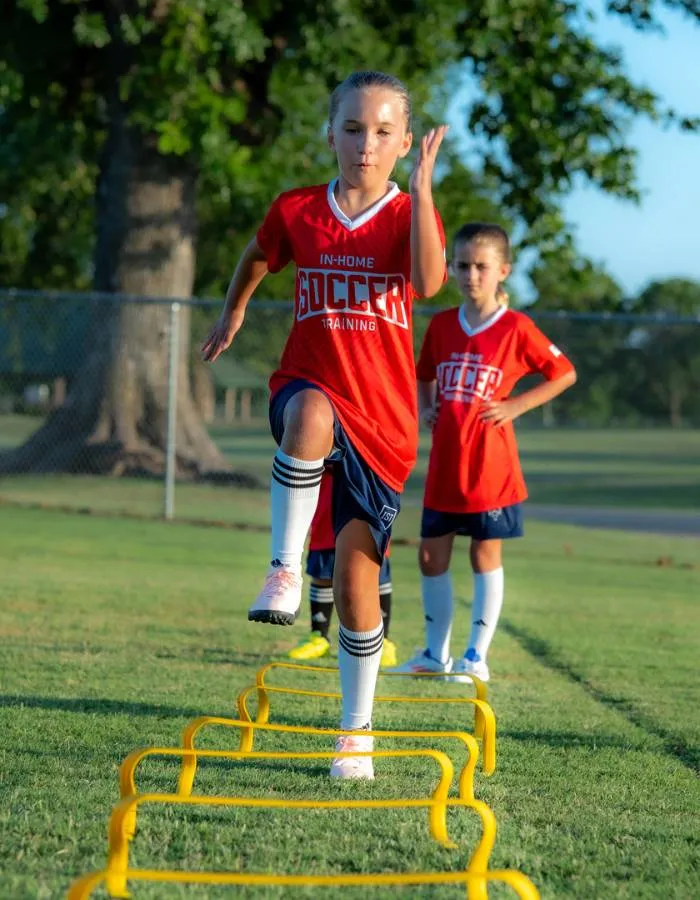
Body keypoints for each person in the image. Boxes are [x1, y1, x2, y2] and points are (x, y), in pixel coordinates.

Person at [202, 70, 447, 779]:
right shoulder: (299, 209)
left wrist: (426, 190)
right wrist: (233, 310)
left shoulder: (406, 216)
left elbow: (429, 282)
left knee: (354, 579)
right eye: (351, 128)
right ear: (330, 132)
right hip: (308, 387)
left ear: (403, 141)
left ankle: (355, 731)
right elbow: (256, 256)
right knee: (309, 412)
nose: (364, 145)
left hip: (384, 422)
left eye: (381, 132)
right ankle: (281, 570)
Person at [393, 222, 576, 683]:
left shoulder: (516, 327)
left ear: (503, 271)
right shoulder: (440, 325)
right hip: (445, 467)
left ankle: (476, 656)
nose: (471, 275)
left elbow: (563, 373)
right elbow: (425, 373)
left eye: (481, 266)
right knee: (431, 557)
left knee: (483, 555)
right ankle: (436, 654)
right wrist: (429, 407)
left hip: (491, 469)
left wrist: (516, 405)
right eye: (462, 265)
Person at [289, 470, 398, 667]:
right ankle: (318, 636)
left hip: (369, 498)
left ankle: (385, 641)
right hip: (327, 503)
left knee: (375, 573)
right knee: (323, 571)